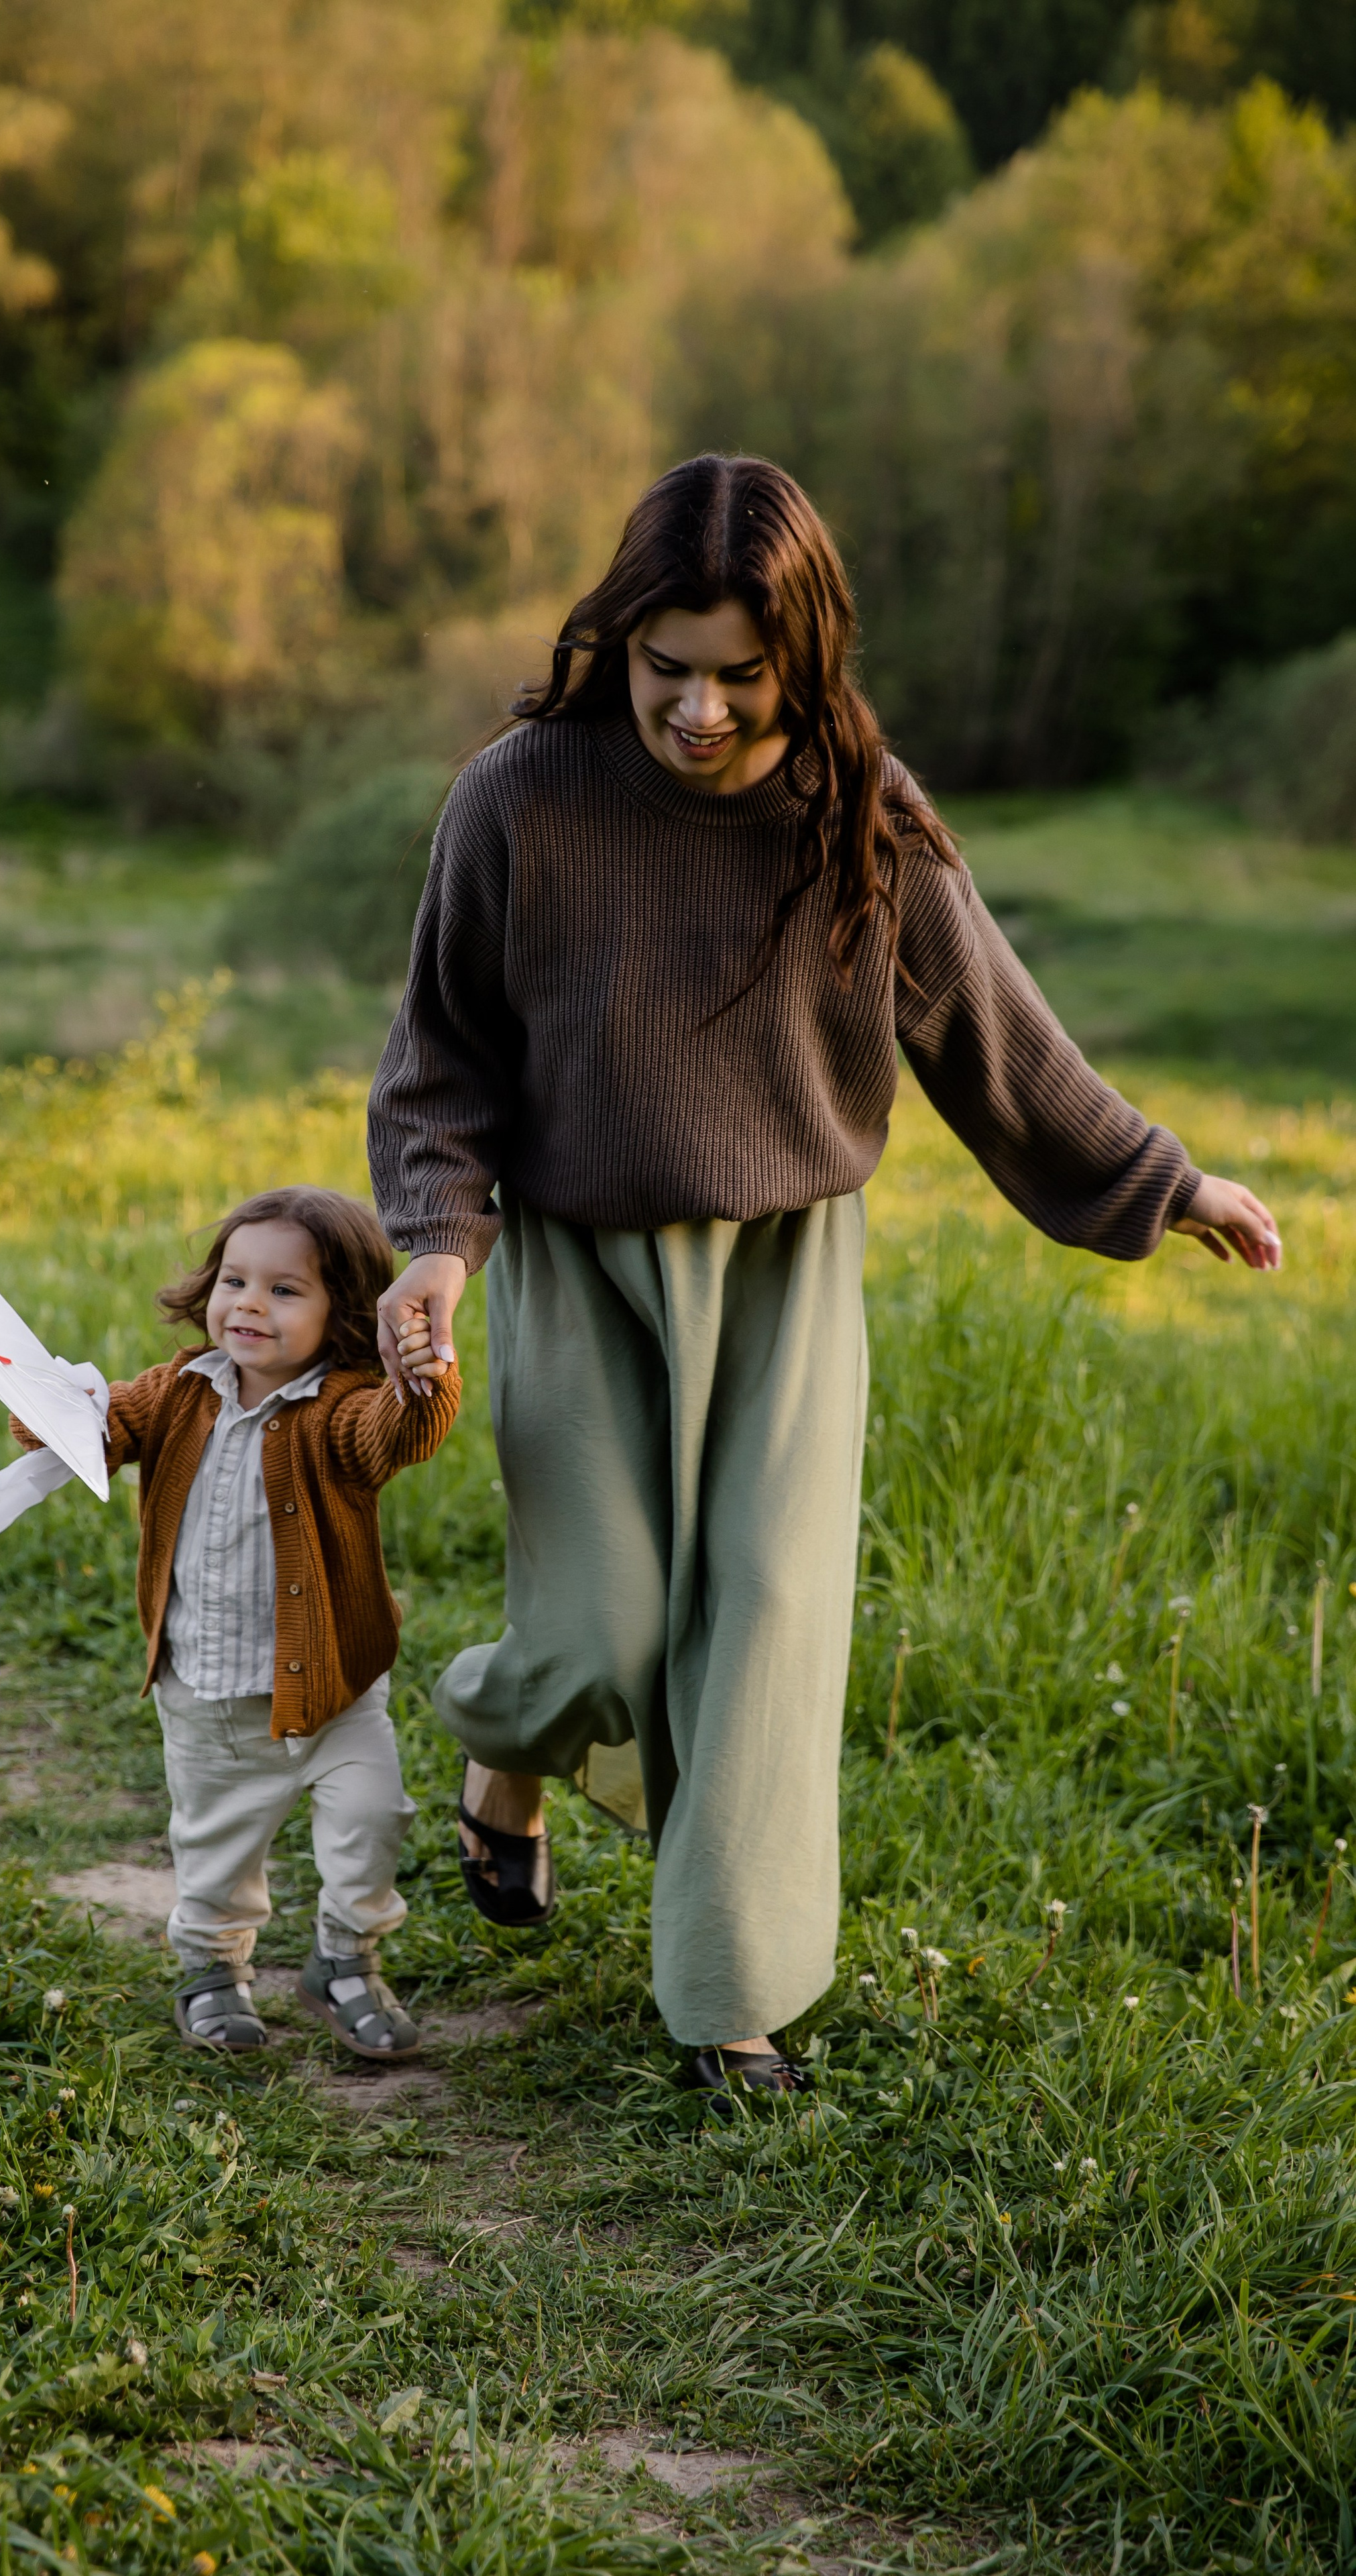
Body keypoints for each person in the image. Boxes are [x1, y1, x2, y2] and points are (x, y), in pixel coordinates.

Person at [365, 452, 1281, 2106]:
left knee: (766, 1628)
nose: (699, 711)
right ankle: (511, 1755)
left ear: (803, 654)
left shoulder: (864, 815)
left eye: (738, 676)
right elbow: (439, 1059)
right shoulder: (518, 796)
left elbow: (994, 1039)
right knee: (594, 1635)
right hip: (577, 1263)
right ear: (616, 636)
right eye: (666, 670)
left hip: (785, 1267)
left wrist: (1164, 1183)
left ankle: (729, 2003)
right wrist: (437, 1245)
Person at [11, 1187, 457, 2061]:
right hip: (209, 1690)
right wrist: (52, 1416)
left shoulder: (342, 1408)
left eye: (286, 1290)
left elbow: (394, 1436)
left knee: (373, 1821)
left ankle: (346, 1961)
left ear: (344, 1315)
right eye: (235, 1280)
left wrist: (420, 1381)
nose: (250, 1303)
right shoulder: (179, 1390)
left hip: (337, 1688)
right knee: (216, 1851)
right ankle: (213, 1972)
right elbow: (100, 1431)